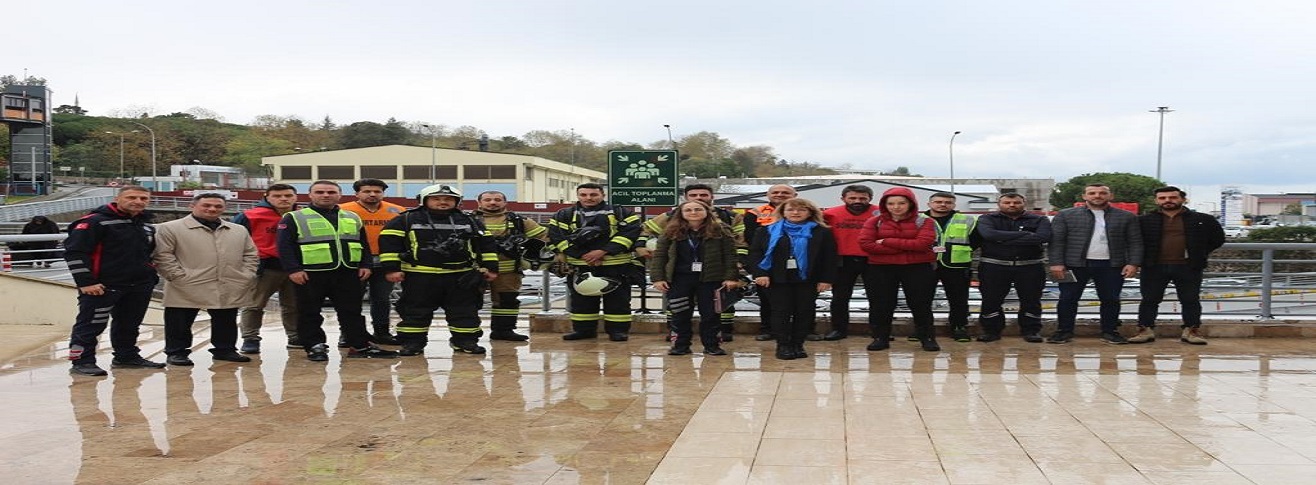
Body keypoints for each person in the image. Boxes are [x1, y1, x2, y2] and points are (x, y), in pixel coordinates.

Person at [277, 180, 398, 361]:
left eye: (331, 192)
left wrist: (366, 265)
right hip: (311, 273)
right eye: (320, 192)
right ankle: (315, 346)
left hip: (347, 272)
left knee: (352, 311)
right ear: (310, 195)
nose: (326, 195)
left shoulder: (351, 216)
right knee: (309, 311)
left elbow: (363, 243)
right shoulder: (294, 217)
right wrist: (293, 269)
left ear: (339, 195)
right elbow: (284, 246)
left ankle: (359, 345)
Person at [380, 185, 500, 355]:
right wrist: (391, 269)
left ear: (457, 202)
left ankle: (466, 342)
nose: (443, 202)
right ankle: (413, 344)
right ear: (424, 200)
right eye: (436, 198)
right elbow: (389, 244)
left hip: (461, 276)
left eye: (448, 199)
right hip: (420, 276)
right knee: (415, 312)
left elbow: (486, 246)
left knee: (465, 312)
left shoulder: (469, 221)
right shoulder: (405, 219)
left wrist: (491, 268)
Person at [64, 186, 167, 376]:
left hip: (139, 285)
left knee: (129, 324)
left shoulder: (144, 225)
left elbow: (148, 254)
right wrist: (85, 282)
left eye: (143, 198)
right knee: (91, 325)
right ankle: (82, 361)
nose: (138, 201)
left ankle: (126, 356)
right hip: (102, 286)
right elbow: (75, 253)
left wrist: (149, 276)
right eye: (132, 197)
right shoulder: (94, 222)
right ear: (118, 198)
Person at [153, 193, 259, 366]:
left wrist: (246, 274)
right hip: (186, 283)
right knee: (179, 321)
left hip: (228, 281)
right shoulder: (170, 228)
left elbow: (251, 254)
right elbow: (163, 256)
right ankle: (177, 352)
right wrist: (177, 276)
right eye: (207, 205)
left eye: (218, 206)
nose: (212, 209)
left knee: (226, 319)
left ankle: (225, 349)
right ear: (192, 206)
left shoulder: (238, 230)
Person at [638, 184, 748, 342]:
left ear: (712, 197)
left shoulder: (728, 218)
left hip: (714, 273)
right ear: (685, 198)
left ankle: (719, 335)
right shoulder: (669, 219)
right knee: (678, 308)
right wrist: (645, 250)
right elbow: (648, 232)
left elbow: (739, 244)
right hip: (680, 275)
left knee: (715, 308)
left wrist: (736, 266)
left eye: (703, 195)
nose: (698, 198)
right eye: (693, 195)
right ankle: (678, 338)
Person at [1048, 183, 1143, 344]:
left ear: (1110, 196)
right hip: (1074, 264)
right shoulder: (1065, 215)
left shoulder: (1126, 216)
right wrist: (1056, 263)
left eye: (1102, 193)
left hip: (1112, 265)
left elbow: (1135, 242)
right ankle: (1063, 331)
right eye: (1092, 193)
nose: (1097, 196)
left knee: (1111, 299)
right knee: (1067, 298)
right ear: (1084, 196)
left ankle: (1110, 331)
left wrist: (1133, 263)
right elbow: (1057, 241)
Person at [1130, 186, 1225, 345]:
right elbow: (1134, 241)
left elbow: (1218, 239)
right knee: (1149, 300)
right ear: (1156, 201)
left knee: (1190, 300)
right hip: (1154, 266)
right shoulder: (1144, 220)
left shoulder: (1202, 219)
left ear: (1182, 199)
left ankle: (1191, 331)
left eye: (1172, 197)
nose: (1167, 201)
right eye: (1162, 198)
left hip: (1188, 266)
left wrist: (1199, 253)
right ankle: (1145, 330)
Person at [547, 183, 642, 341]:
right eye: (583, 195)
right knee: (581, 301)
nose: (588, 198)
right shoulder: (563, 215)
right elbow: (557, 237)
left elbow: (630, 233)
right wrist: (583, 255)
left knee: (618, 301)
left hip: (616, 265)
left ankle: (618, 331)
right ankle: (583, 331)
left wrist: (602, 251)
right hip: (580, 265)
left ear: (602, 195)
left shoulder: (621, 212)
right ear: (577, 196)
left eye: (593, 195)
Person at [749, 198, 836, 360]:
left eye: (801, 209)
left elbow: (829, 257)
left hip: (808, 278)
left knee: (804, 312)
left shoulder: (821, 231)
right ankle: (783, 345)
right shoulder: (766, 230)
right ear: (782, 212)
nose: (795, 213)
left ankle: (798, 344)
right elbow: (755, 253)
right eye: (791, 210)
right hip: (775, 278)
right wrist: (760, 273)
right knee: (780, 312)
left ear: (810, 212)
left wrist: (826, 279)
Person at [859, 187, 940, 352]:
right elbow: (866, 244)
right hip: (881, 268)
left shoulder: (925, 221)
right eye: (891, 203)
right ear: (884, 204)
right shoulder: (874, 221)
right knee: (881, 304)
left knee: (921, 304)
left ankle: (927, 337)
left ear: (910, 204)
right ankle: (880, 337)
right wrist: (905, 247)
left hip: (917, 268)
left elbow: (922, 244)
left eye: (901, 203)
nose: (896, 207)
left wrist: (887, 241)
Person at [974, 193, 1052, 343]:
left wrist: (1002, 239)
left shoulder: (1039, 219)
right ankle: (991, 331)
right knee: (991, 300)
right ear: (999, 204)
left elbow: (1043, 237)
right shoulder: (987, 219)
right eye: (1007, 202)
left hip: (1030, 266)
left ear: (1024, 203)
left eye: (1016, 202)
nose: (1012, 205)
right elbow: (989, 235)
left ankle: (1031, 331)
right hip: (994, 266)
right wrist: (1024, 234)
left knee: (1031, 301)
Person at [473, 190, 549, 342]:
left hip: (508, 272)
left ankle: (503, 331)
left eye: (497, 199)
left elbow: (544, 237)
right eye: (487, 200)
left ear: (505, 203)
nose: (493, 202)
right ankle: (468, 334)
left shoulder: (519, 221)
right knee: (469, 303)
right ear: (479, 203)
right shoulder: (468, 221)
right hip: (476, 270)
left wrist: (532, 251)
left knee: (507, 302)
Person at [233, 184, 300, 354]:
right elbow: (234, 240)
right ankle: (250, 338)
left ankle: (295, 336)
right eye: (277, 195)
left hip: (295, 268)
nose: (283, 199)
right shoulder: (250, 216)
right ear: (267, 197)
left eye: (288, 195)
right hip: (264, 267)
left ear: (295, 197)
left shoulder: (302, 216)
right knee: (254, 305)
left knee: (293, 305)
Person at [339, 178, 406, 345]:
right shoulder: (342, 210)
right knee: (351, 300)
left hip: (386, 261)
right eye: (367, 191)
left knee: (382, 299)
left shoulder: (397, 211)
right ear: (357, 193)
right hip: (355, 261)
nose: (372, 194)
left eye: (377, 191)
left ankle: (382, 332)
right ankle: (349, 333)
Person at [820, 185, 878, 341]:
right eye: (852, 198)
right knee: (840, 297)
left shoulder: (881, 213)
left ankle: (879, 331)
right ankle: (838, 329)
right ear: (843, 198)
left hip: (873, 260)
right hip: (842, 260)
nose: (857, 201)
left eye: (862, 198)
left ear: (870, 199)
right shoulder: (829, 214)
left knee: (878, 297)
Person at [743, 184, 799, 341]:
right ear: (768, 195)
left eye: (785, 192)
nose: (780, 195)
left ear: (795, 195)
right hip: (768, 263)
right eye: (775, 192)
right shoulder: (755, 213)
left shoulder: (804, 209)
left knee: (803, 299)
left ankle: (805, 329)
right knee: (767, 299)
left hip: (799, 262)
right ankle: (767, 329)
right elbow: (750, 239)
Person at [923, 192, 980, 342]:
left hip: (957, 265)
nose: (943, 204)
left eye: (948, 202)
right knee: (922, 299)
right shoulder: (919, 219)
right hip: (925, 264)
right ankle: (922, 329)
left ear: (954, 205)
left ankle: (959, 327)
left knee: (959, 299)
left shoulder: (968, 219)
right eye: (939, 202)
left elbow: (976, 240)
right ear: (929, 204)